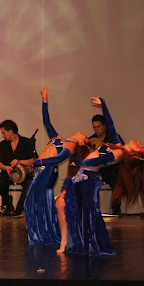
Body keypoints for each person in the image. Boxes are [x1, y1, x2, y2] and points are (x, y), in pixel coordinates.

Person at [57, 97, 144, 255]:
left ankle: (73, 242)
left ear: (135, 154)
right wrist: (104, 105)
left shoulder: (120, 154)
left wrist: (78, 161)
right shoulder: (118, 145)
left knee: (75, 209)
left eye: (139, 147)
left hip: (87, 180)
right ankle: (65, 241)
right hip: (83, 175)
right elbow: (111, 126)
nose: (138, 142)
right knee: (62, 205)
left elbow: (98, 160)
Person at [24, 86, 90, 246]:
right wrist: (44, 101)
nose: (84, 133)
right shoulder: (62, 138)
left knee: (32, 203)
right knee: (36, 203)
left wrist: (38, 162)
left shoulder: (72, 145)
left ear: (81, 142)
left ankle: (44, 234)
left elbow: (61, 157)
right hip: (42, 171)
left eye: (85, 137)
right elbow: (47, 122)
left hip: (46, 172)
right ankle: (44, 233)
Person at [0, 119, 37, 216]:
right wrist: (6, 167)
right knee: (1, 183)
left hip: (24, 173)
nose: (2, 136)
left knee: (29, 184)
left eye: (4, 133)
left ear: (10, 131)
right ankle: (8, 205)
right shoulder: (3, 145)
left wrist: (19, 162)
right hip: (8, 173)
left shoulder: (26, 142)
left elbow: (34, 160)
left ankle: (20, 208)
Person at [89, 113, 125, 215]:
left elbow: (122, 151)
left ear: (104, 125)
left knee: (116, 179)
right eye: (94, 127)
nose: (96, 130)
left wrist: (104, 146)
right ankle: (95, 211)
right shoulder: (91, 139)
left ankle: (116, 211)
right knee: (91, 180)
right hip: (98, 169)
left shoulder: (113, 137)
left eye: (98, 127)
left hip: (112, 169)